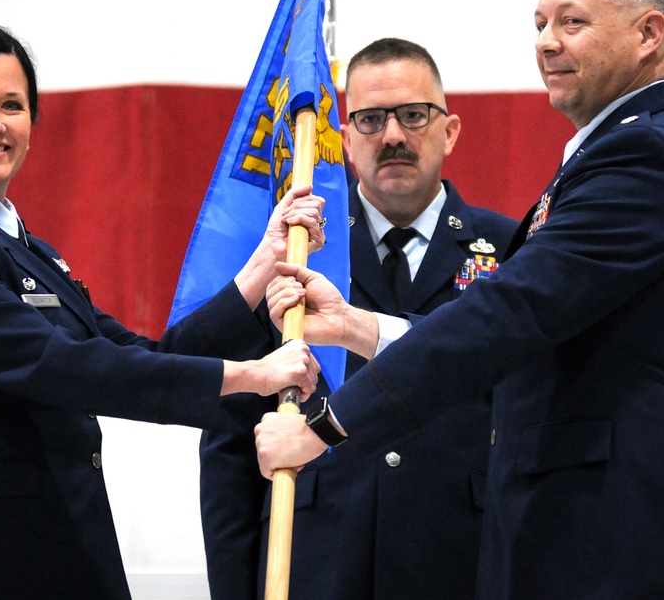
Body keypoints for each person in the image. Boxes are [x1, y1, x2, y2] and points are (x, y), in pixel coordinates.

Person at [256, 0, 664, 599]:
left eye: (572, 21)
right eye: (540, 24)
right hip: (590, 542)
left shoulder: (648, 157)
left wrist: (326, 425)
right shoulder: (616, 151)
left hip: (631, 545)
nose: (547, 42)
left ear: (649, 33)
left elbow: (508, 315)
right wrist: (360, 328)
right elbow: (527, 332)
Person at [0, 25, 323, 600]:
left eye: (13, 105)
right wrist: (253, 376)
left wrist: (261, 266)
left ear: (32, 126)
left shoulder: (31, 251)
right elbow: (61, 367)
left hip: (68, 552)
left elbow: (138, 357)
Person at [199, 38, 517, 599]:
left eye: (414, 115)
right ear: (344, 141)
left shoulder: (514, 251)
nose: (392, 136)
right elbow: (229, 442)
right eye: (370, 120)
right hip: (316, 563)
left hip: (463, 561)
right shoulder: (292, 253)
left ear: (450, 130)